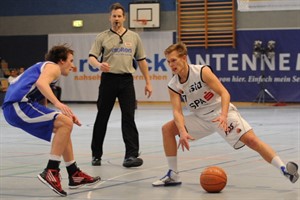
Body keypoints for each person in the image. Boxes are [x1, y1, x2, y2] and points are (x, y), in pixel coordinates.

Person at [152, 42, 299, 186]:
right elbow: (177, 111)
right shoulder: (173, 85)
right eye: (168, 62)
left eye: (174, 60)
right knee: (167, 129)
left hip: (220, 113)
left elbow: (224, 93)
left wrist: (223, 115)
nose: (171, 65)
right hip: (200, 118)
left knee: (252, 141)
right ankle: (173, 174)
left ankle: (284, 170)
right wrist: (182, 131)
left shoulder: (202, 71)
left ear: (183, 58)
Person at [2, 45, 101, 197]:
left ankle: (74, 173)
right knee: (65, 123)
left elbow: (40, 93)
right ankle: (51, 170)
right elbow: (41, 84)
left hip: (18, 106)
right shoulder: (53, 67)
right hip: (18, 106)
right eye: (71, 61)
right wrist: (59, 104)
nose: (73, 65)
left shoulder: (44, 67)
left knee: (65, 124)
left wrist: (57, 115)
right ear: (61, 61)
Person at [88, 2, 152, 168]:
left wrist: (148, 82)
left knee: (129, 117)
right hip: (108, 80)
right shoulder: (102, 37)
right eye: (114, 16)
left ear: (124, 18)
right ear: (110, 18)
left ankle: (131, 155)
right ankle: (96, 155)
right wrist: (99, 65)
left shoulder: (134, 37)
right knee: (102, 117)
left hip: (126, 81)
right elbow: (92, 57)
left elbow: (142, 61)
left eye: (119, 16)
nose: (116, 19)